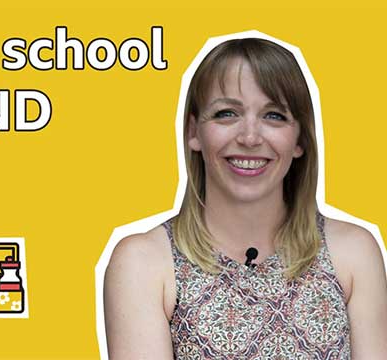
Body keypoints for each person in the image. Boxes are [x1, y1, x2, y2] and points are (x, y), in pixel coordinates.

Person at [103, 37, 387, 359]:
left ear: (300, 140)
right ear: (194, 132)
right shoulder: (144, 263)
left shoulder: (353, 253)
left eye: (274, 116)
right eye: (227, 113)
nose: (250, 137)